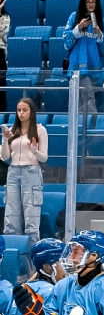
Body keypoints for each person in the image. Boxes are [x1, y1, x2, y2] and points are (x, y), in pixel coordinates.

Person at [1, 97, 46, 235]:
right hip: (13, 172)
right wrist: (5, 138)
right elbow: (6, 156)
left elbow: (44, 158)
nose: (21, 113)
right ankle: (12, 254)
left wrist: (35, 151)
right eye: (19, 110)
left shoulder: (40, 130)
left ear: (31, 112)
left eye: (24, 110)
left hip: (31, 172)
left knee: (31, 219)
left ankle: (31, 254)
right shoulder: (13, 130)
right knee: (11, 218)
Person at [64, 0, 104, 116]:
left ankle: (82, 130)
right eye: (88, 2)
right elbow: (66, 43)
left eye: (93, 2)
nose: (90, 4)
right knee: (88, 99)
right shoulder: (74, 17)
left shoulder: (102, 22)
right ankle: (90, 129)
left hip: (94, 67)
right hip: (78, 68)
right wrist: (78, 28)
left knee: (86, 100)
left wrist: (100, 34)